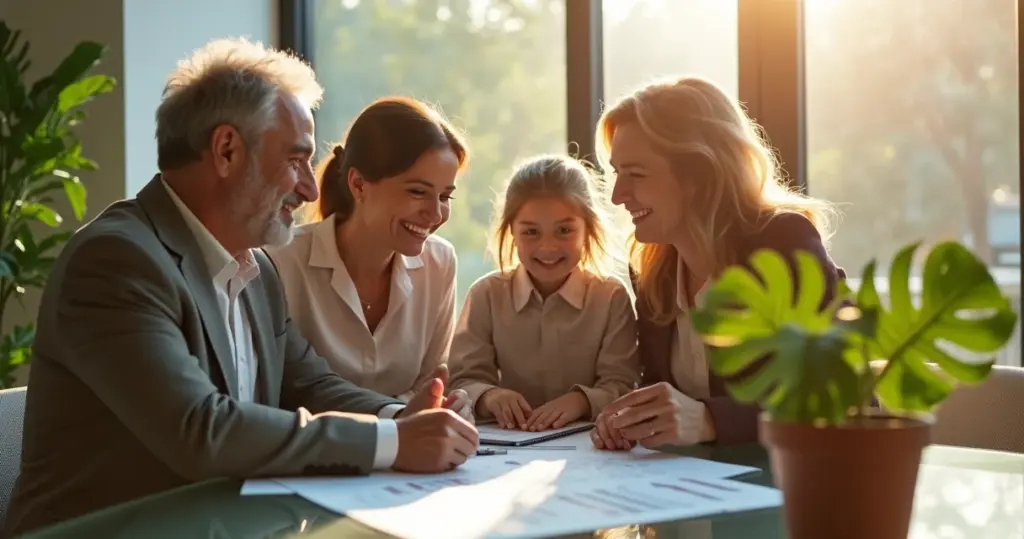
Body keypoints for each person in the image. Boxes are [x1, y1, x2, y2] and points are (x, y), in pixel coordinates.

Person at [2, 38, 478, 537]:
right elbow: (201, 429)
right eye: (296, 160)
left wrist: (403, 415)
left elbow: (309, 384)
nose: (312, 189)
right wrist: (393, 441)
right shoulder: (117, 261)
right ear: (226, 150)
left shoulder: (254, 268)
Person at [589, 76, 844, 451]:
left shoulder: (784, 242)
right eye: (616, 173)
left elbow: (840, 391)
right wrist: (632, 417)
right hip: (698, 488)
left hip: (793, 489)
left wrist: (710, 419)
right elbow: (668, 390)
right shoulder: (651, 270)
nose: (617, 195)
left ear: (700, 175)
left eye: (636, 174)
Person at [265, 98, 471, 418]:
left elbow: (431, 383)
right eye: (417, 192)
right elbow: (278, 391)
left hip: (409, 451)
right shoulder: (279, 262)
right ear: (359, 185)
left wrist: (444, 404)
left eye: (445, 196)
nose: (435, 213)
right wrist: (398, 418)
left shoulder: (440, 263)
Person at [448, 155, 641, 431]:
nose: (548, 247)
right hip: (508, 445)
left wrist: (580, 401)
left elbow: (622, 384)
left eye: (564, 230)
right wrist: (492, 396)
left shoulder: (610, 297)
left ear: (588, 229)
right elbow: (462, 381)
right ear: (511, 231)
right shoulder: (486, 295)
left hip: (589, 447)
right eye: (531, 232)